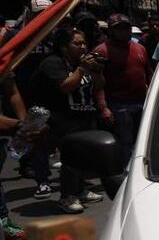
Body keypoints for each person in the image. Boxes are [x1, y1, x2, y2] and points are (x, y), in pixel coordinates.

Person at [33, 28, 105, 213]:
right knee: (71, 159)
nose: (83, 47)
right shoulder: (53, 63)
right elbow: (65, 87)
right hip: (63, 119)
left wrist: (96, 70)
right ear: (64, 47)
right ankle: (67, 196)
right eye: (77, 43)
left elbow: (99, 86)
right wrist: (82, 68)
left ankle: (80, 190)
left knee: (84, 157)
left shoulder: (83, 62)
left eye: (83, 43)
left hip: (85, 116)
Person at [93, 14, 151, 165]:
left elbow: (148, 73)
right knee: (125, 142)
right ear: (111, 31)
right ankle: (126, 172)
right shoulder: (102, 51)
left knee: (144, 140)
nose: (123, 32)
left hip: (142, 102)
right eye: (118, 29)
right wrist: (104, 107)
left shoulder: (140, 48)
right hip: (118, 105)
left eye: (126, 28)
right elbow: (97, 83)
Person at [0, 74, 29, 240]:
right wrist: (18, 125)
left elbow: (12, 92)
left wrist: (25, 124)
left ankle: (3, 221)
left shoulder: (3, 61)